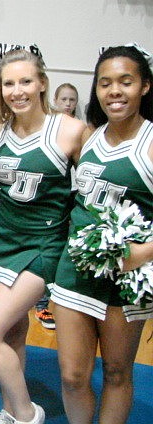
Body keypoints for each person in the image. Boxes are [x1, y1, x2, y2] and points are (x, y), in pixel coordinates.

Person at [0, 48, 85, 424]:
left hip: (42, 247)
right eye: (8, 83)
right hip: (0, 241)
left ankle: (25, 414)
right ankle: (7, 409)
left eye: (25, 81)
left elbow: (97, 183)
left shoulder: (68, 130)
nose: (17, 90)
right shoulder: (1, 131)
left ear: (41, 85)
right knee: (12, 333)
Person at [51, 45, 153, 424]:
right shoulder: (88, 137)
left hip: (125, 278)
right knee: (73, 375)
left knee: (116, 371)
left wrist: (143, 254)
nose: (115, 91)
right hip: (75, 271)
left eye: (126, 82)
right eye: (105, 83)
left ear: (144, 86)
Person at [34, 84, 80, 330]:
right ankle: (41, 305)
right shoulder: (47, 127)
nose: (68, 103)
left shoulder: (77, 130)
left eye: (72, 99)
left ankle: (55, 302)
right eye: (64, 99)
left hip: (69, 199)